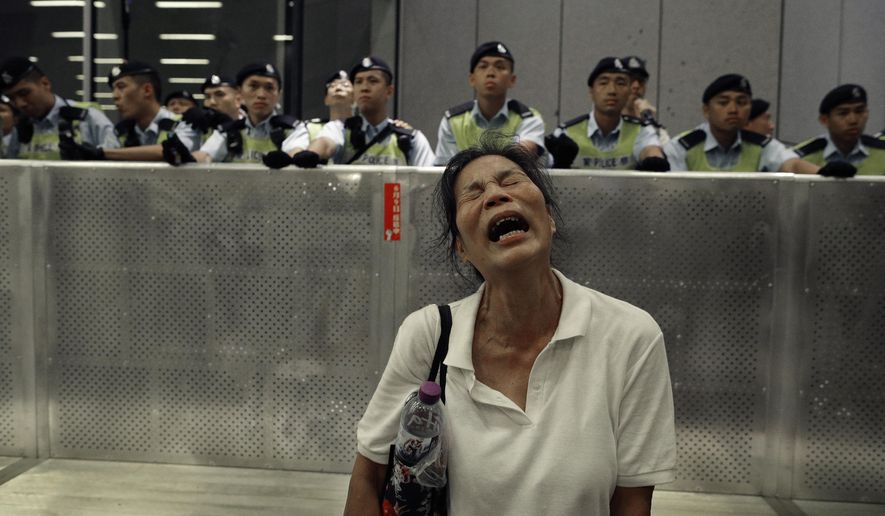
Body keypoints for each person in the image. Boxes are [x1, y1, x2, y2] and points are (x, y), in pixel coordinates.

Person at [345, 139, 676, 516]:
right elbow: (369, 475)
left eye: (511, 181)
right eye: (473, 193)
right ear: (462, 249)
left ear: (548, 218)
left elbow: (633, 502)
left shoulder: (630, 336)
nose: (495, 196)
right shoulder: (429, 334)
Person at [664, 74, 844, 175]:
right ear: (706, 110)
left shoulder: (761, 146)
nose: (733, 109)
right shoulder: (682, 147)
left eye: (742, 102)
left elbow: (792, 165)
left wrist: (824, 171)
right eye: (723, 102)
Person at [272, 57, 434, 169]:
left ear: (389, 91)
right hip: (347, 217)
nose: (364, 87)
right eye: (358, 82)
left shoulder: (410, 138)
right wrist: (311, 154)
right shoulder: (339, 128)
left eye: (373, 81)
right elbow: (326, 142)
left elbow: (429, 181)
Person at [166, 62, 308, 165]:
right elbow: (206, 155)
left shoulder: (292, 128)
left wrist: (291, 158)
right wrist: (184, 158)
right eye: (253, 86)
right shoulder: (229, 131)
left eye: (269, 88)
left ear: (279, 95)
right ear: (239, 93)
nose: (261, 94)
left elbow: (295, 151)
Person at [545, 57, 669, 171]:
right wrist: (558, 163)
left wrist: (654, 160)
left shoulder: (642, 130)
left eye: (620, 83)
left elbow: (651, 150)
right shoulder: (567, 132)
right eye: (603, 83)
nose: (612, 91)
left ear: (629, 91)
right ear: (591, 91)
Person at [434, 41, 546, 165]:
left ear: (512, 80)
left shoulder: (528, 119)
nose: (491, 73)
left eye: (500, 67)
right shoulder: (453, 121)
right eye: (483, 66)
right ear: (472, 79)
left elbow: (522, 156)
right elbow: (444, 169)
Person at [0, 56, 118, 160]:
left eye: (24, 93)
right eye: (12, 98)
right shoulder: (21, 129)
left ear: (45, 83)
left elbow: (116, 163)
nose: (20, 104)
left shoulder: (86, 117)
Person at [793, 84, 885, 176]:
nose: (853, 120)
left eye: (859, 111)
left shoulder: (882, 152)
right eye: (843, 113)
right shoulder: (801, 158)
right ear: (824, 120)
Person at [621, 55, 670, 145]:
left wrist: (647, 123)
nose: (636, 86)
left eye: (641, 80)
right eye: (630, 80)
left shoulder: (656, 130)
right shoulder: (604, 125)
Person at [302, 69, 354, 142]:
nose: (338, 88)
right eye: (332, 86)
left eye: (345, 85)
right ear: (326, 100)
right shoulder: (309, 128)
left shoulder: (365, 129)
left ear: (355, 98)